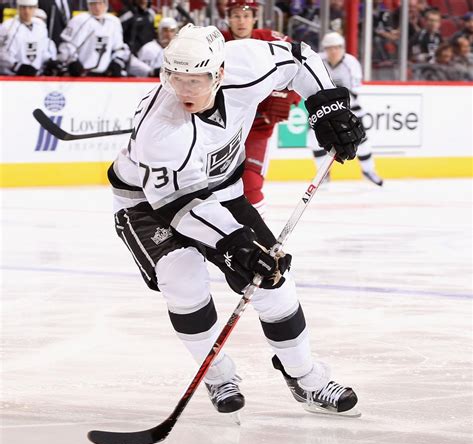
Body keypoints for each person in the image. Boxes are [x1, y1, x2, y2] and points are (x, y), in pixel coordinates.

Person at [108, 24, 365, 417]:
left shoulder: (247, 63)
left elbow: (299, 58)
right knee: (183, 278)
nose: (184, 90)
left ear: (219, 74)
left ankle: (306, 378)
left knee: (274, 284)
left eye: (196, 80)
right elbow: (181, 205)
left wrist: (326, 105)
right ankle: (217, 375)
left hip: (223, 190)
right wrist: (235, 243)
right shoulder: (160, 131)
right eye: (175, 78)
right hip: (148, 204)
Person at [221, 0, 300, 216]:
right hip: (223, 126)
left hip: (258, 126)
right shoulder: (216, 42)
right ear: (228, 18)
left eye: (246, 16)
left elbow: (301, 65)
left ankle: (259, 232)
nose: (241, 21)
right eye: (236, 16)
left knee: (251, 184)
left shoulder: (271, 40)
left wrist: (286, 95)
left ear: (254, 19)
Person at [310, 32, 383, 186]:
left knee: (360, 139)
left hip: (349, 109)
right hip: (324, 109)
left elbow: (354, 92)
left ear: (342, 48)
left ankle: (368, 170)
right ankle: (323, 174)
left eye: (337, 47)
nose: (333, 51)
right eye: (330, 48)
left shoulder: (351, 63)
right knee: (313, 138)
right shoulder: (318, 61)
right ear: (325, 49)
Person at [58, 0, 129, 77]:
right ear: (88, 5)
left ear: (106, 4)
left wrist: (117, 62)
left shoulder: (114, 21)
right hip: (82, 73)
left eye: (100, 3)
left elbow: (119, 48)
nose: (97, 7)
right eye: (93, 4)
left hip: (105, 74)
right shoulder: (78, 20)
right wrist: (72, 62)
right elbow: (66, 45)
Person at [0, 0, 57, 76]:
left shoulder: (40, 26)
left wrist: (49, 61)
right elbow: (2, 53)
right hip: (12, 76)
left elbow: (43, 51)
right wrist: (17, 66)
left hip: (37, 75)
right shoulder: (8, 26)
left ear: (35, 8)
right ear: (18, 8)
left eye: (30, 8)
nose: (27, 11)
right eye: (23, 7)